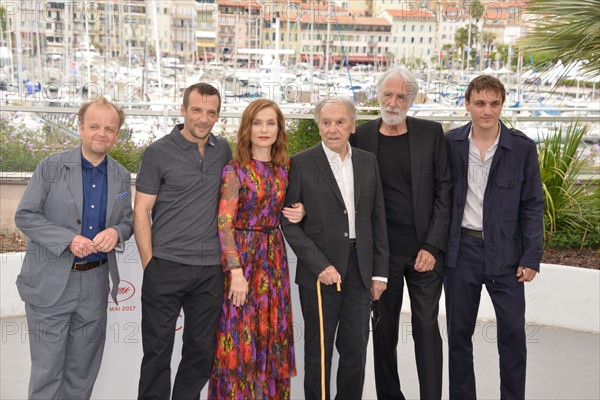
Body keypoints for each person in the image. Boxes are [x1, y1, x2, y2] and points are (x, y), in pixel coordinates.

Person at [15, 97, 133, 399]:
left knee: (82, 375)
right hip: (50, 285)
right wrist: (66, 239)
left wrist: (116, 232)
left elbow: (128, 221)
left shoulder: (120, 175)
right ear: (80, 127)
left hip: (95, 285)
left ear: (117, 134)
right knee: (47, 373)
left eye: (109, 128)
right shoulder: (51, 167)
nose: (101, 133)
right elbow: (25, 215)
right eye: (94, 126)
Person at [352, 66, 452, 400]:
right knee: (383, 333)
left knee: (426, 327)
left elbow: (444, 192)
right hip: (382, 255)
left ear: (412, 100)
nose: (393, 102)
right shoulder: (361, 137)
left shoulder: (431, 133)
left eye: (401, 96)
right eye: (388, 95)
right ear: (377, 96)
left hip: (424, 250)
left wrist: (432, 246)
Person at [282, 97, 389, 400]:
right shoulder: (301, 163)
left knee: (355, 350)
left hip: (361, 269)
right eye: (326, 122)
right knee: (319, 353)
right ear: (318, 125)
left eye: (340, 122)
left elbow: (377, 218)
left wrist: (380, 273)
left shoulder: (368, 162)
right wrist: (320, 265)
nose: (333, 129)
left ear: (352, 125)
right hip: (319, 274)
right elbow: (289, 222)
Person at [444, 75, 544, 400]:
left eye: (494, 103)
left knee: (513, 335)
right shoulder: (449, 145)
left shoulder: (522, 148)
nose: (487, 110)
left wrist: (531, 257)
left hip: (507, 255)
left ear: (502, 104)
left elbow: (532, 205)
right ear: (468, 104)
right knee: (459, 336)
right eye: (480, 103)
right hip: (461, 252)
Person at [134, 83, 232, 399]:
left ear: (218, 115)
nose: (203, 119)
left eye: (211, 112)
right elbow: (141, 211)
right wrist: (151, 265)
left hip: (209, 271)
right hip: (166, 266)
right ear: (183, 110)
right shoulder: (157, 151)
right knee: (157, 352)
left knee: (202, 353)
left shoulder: (224, 150)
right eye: (197, 110)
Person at [208, 99, 304, 399]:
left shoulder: (285, 168)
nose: (264, 129)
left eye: (270, 123)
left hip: (274, 262)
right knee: (238, 338)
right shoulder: (235, 170)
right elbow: (224, 223)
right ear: (247, 128)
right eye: (257, 123)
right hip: (243, 263)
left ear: (279, 129)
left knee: (271, 336)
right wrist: (235, 271)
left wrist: (300, 210)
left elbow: (290, 207)